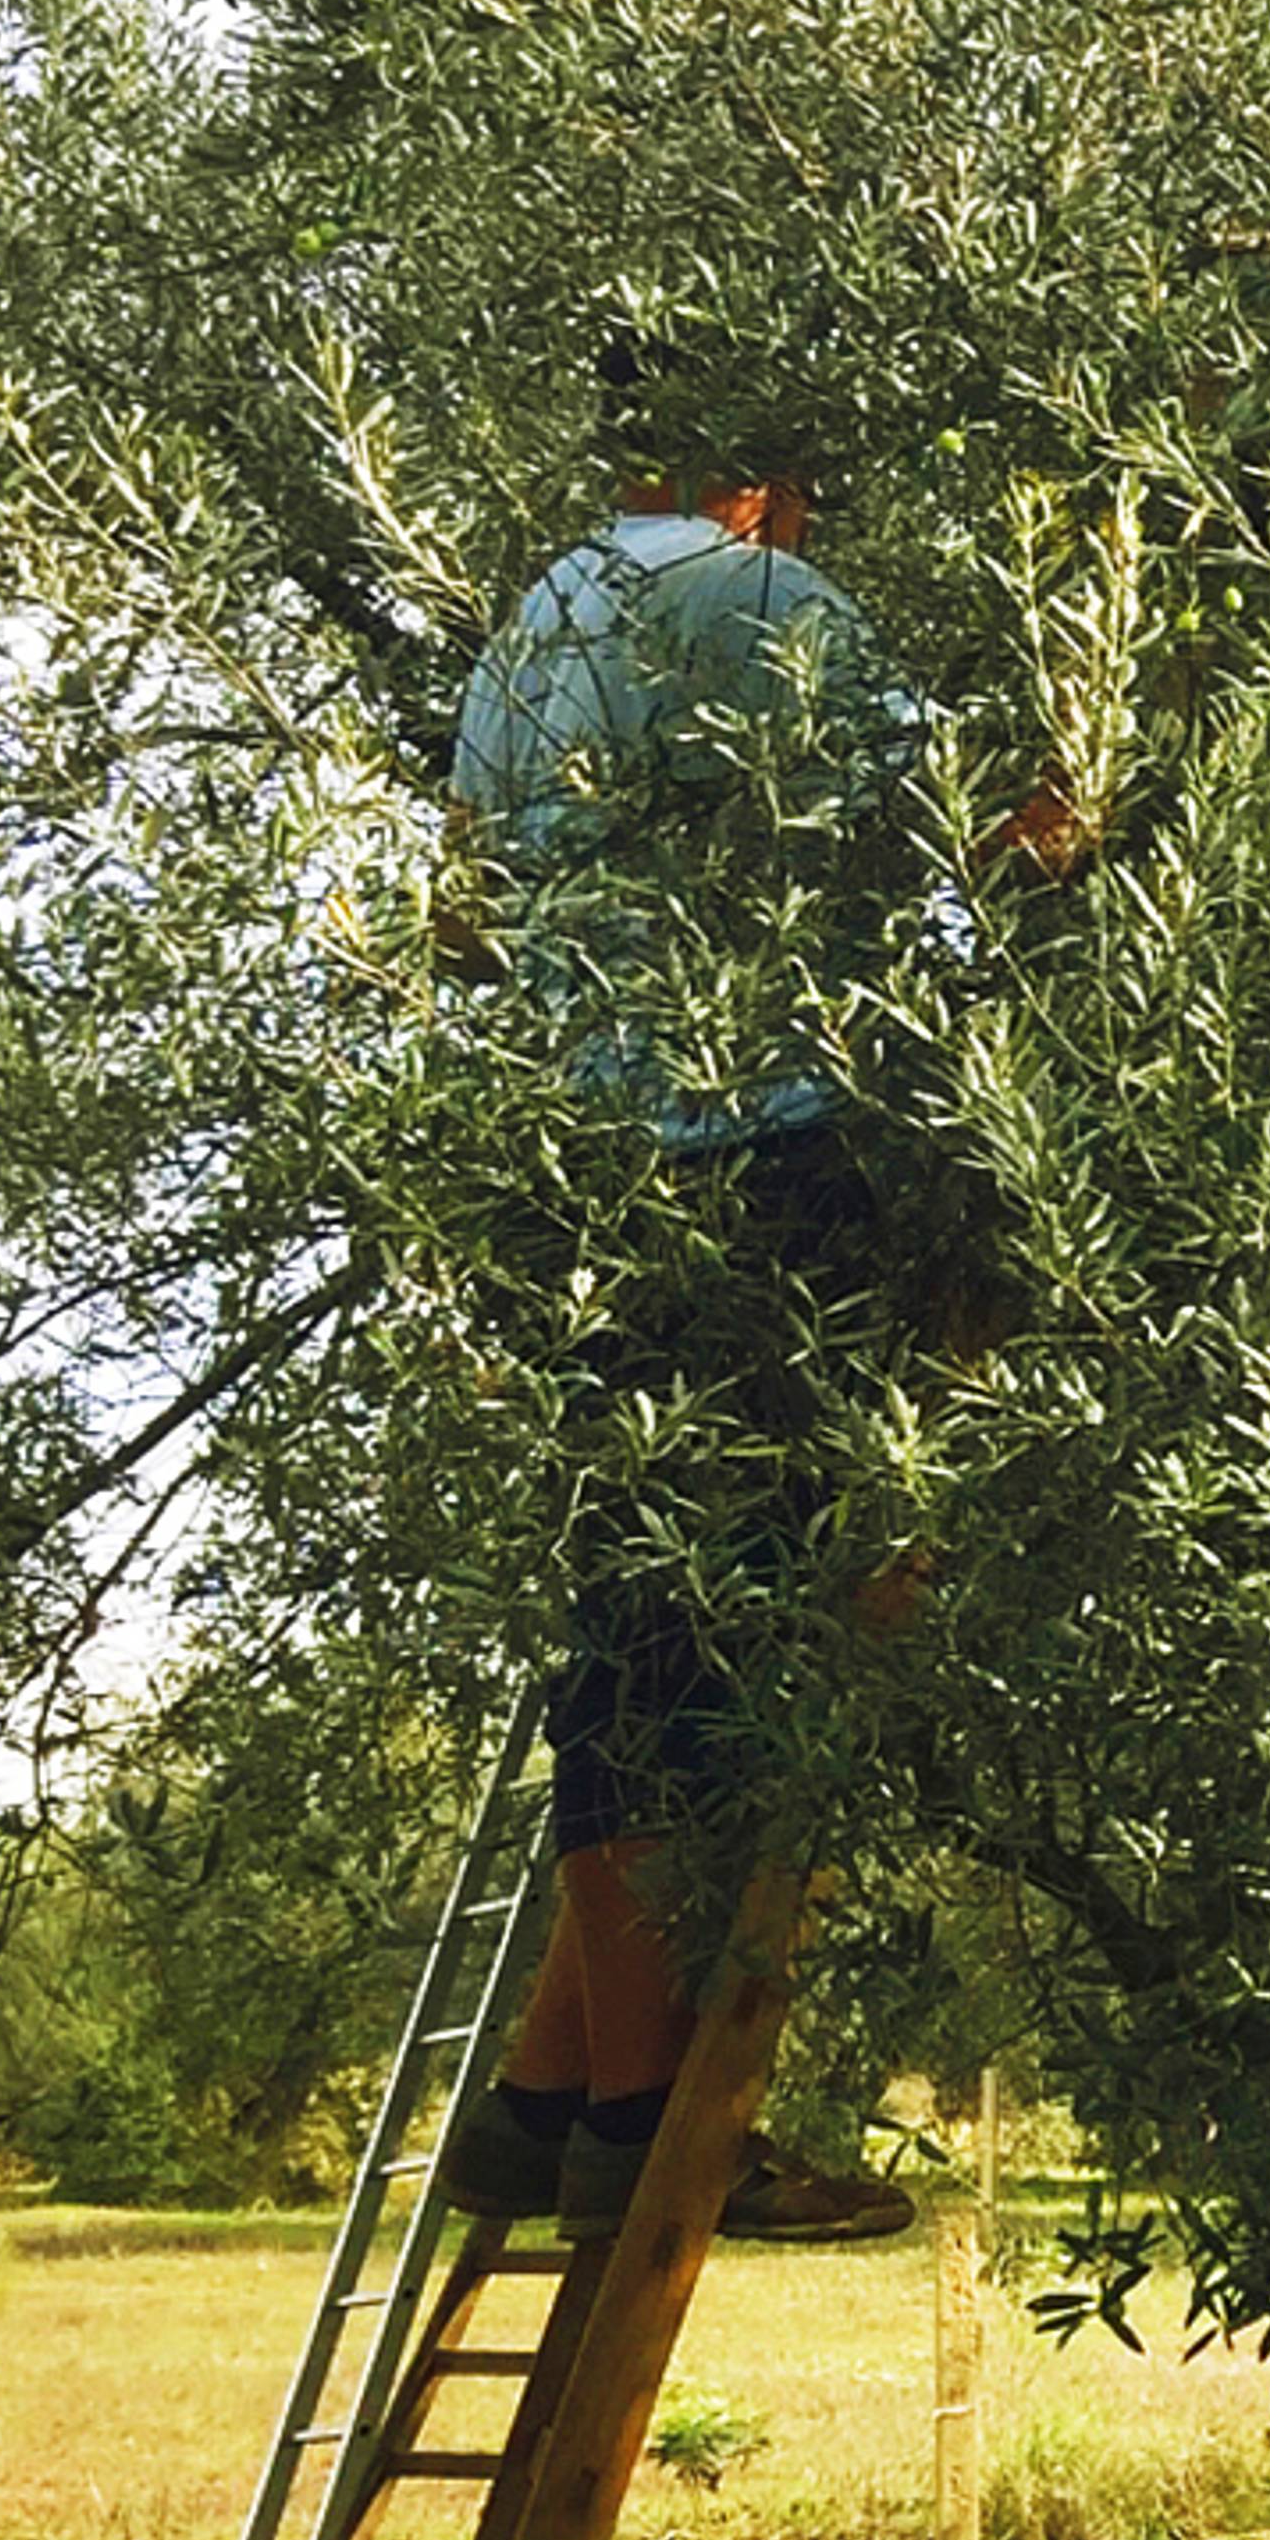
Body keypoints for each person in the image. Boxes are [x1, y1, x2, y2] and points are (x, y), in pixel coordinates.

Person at [433, 411, 943, 2241]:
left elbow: (460, 907)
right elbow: (930, 843)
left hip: (574, 1173)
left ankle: (547, 2102)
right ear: (761, 482)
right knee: (698, 1643)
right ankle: (654, 2121)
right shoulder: (761, 588)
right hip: (748, 1148)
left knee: (631, 1616)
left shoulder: (534, 625)